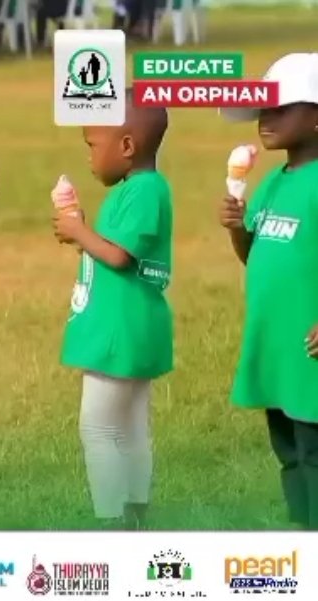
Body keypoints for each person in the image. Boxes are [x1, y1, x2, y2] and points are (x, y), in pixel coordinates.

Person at [52, 89, 171, 530]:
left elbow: (120, 257)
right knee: (132, 423)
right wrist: (80, 230)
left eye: (91, 145)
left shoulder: (143, 191)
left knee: (99, 427)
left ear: (126, 146)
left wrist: (79, 230)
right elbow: (113, 248)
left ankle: (111, 519)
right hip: (134, 327)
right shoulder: (141, 188)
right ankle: (135, 509)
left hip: (120, 330)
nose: (88, 156)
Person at [219, 53, 318, 530]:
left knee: (315, 451)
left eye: (280, 109)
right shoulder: (273, 184)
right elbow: (254, 255)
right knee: (289, 452)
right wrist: (238, 228)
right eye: (262, 109)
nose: (265, 119)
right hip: (278, 350)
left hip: (310, 352)